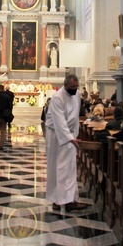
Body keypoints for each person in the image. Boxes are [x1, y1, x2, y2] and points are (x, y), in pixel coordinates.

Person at [45, 74, 89, 212]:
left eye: (76, 87)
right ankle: (57, 200)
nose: (74, 90)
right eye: (72, 87)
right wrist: (70, 138)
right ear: (65, 86)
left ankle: (69, 199)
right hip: (57, 135)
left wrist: (75, 134)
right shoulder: (57, 98)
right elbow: (60, 121)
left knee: (69, 168)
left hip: (70, 135)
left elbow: (75, 116)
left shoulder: (77, 95)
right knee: (57, 167)